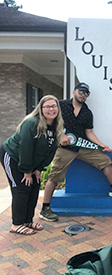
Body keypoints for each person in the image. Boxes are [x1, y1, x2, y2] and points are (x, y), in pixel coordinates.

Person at [40, 82, 112, 222]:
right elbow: (50, 121)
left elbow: (89, 133)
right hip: (65, 148)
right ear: (74, 92)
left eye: (86, 93)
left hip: (83, 146)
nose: (83, 95)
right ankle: (45, 208)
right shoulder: (61, 105)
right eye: (81, 92)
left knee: (105, 161)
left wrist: (102, 145)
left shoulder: (87, 113)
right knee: (54, 177)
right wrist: (61, 136)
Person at [0, 95, 63, 235]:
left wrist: (39, 169)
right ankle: (16, 224)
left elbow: (50, 151)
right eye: (47, 106)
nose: (51, 109)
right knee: (21, 189)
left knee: (34, 187)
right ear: (41, 109)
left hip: (29, 161)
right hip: (13, 156)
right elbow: (26, 148)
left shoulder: (56, 126)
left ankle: (27, 220)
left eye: (54, 106)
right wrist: (27, 171)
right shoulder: (31, 123)